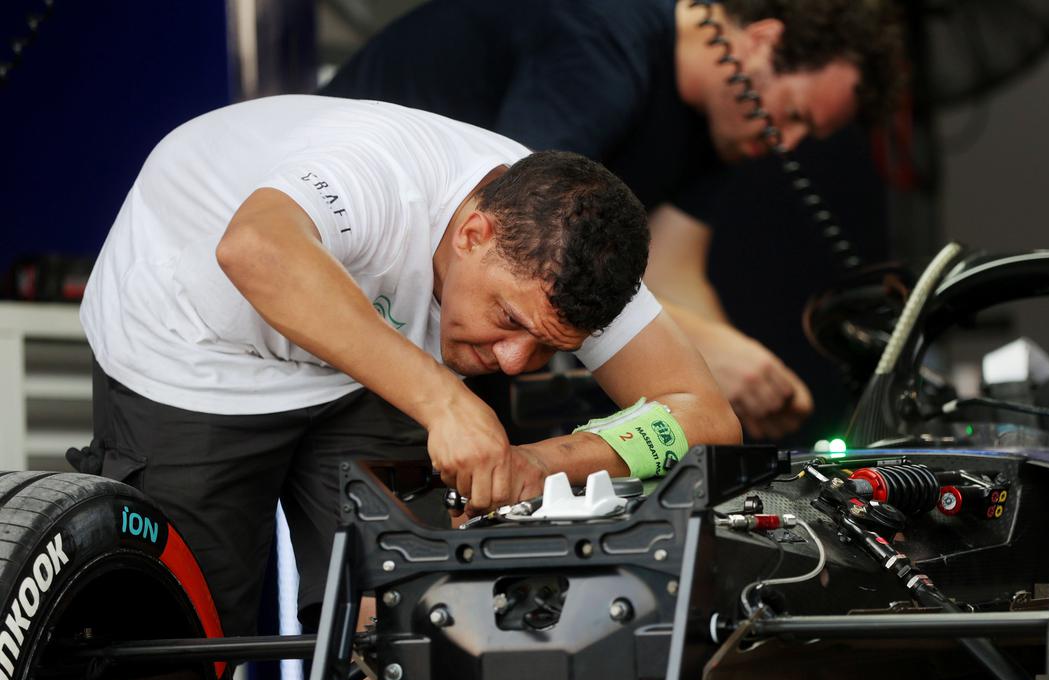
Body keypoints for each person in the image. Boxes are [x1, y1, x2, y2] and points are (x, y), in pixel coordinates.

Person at [75, 95, 740, 640]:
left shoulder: (572, 250)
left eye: (547, 345)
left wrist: (542, 464)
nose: (514, 363)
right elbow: (253, 249)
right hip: (196, 344)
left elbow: (702, 415)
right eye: (508, 321)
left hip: (369, 350)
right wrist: (445, 403)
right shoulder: (380, 175)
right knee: (184, 641)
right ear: (472, 233)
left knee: (407, 621)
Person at [321, 0, 904, 441]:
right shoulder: (602, 48)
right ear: (760, 41)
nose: (788, 143)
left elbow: (675, 270)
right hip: (356, 271)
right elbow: (527, 242)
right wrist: (703, 352)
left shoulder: (720, 125)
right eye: (793, 114)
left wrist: (727, 371)